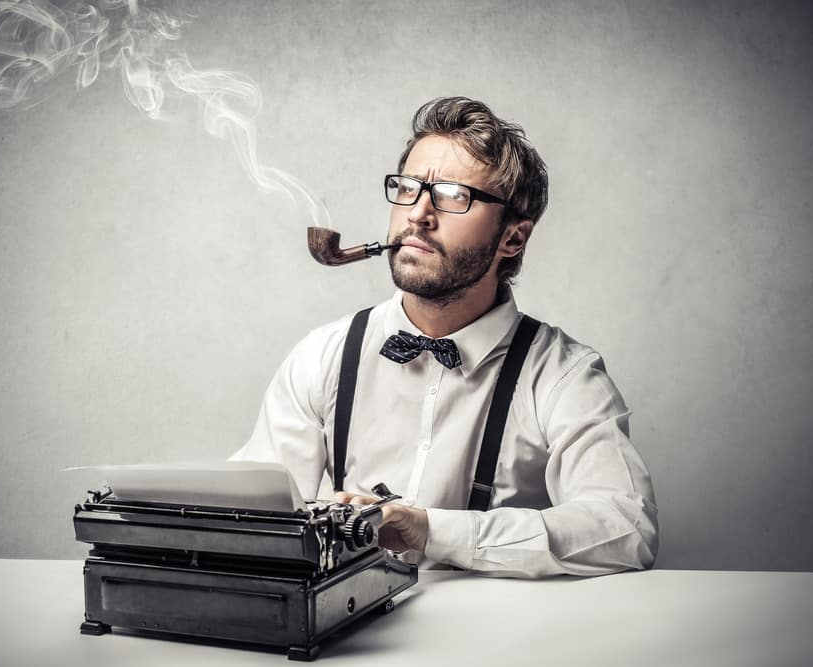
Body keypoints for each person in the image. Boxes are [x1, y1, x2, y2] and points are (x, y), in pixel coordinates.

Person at [231, 97, 658, 578]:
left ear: (513, 239)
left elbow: (626, 528)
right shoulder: (321, 357)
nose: (418, 214)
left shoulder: (563, 375)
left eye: (454, 195)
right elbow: (252, 517)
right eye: (408, 189)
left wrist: (434, 532)